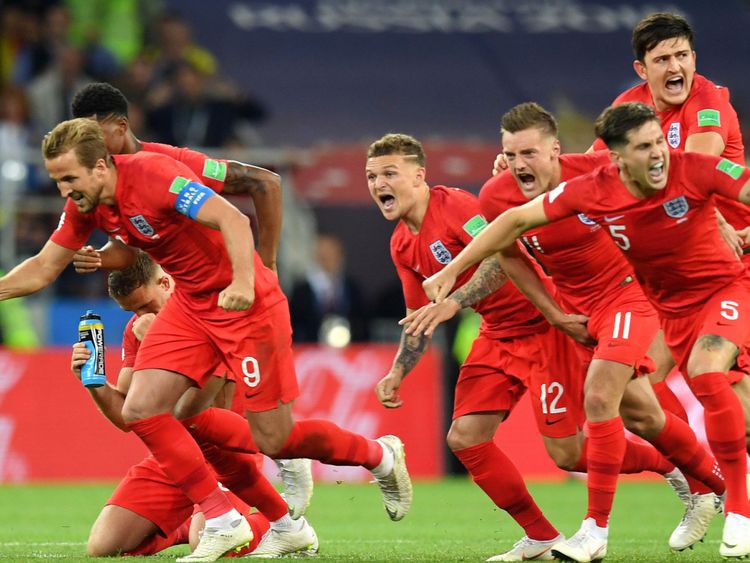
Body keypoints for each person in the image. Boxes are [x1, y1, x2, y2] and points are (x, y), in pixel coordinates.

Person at [0, 118, 411, 560]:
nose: (64, 191)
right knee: (142, 407)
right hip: (192, 306)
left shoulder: (154, 175)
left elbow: (232, 217)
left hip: (245, 303)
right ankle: (222, 518)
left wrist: (242, 280)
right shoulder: (86, 206)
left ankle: (379, 456)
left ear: (101, 167)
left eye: (68, 179)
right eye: (57, 180)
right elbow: (44, 266)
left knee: (275, 438)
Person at [423, 103, 750, 560]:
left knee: (603, 396)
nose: (519, 165)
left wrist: (720, 223)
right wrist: (460, 276)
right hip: (574, 312)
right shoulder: (510, 194)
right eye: (510, 154)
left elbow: (686, 185)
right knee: (641, 417)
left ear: (555, 150)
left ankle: (595, 531)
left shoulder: (601, 169)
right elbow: (510, 238)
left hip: (626, 295)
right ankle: (713, 487)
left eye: (529, 153)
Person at [366, 133, 690, 562]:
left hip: (546, 325)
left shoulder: (458, 207)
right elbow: (417, 314)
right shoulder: (401, 243)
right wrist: (397, 371)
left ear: (419, 176)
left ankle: (671, 465)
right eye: (371, 176)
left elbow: (502, 257)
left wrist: (455, 301)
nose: (378, 184)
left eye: (390, 173)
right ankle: (540, 535)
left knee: (570, 454)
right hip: (497, 334)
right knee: (465, 438)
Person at [72, 251, 318, 557]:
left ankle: (278, 527)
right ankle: (185, 527)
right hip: (173, 455)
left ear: (165, 283)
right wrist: (95, 383)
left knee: (209, 543)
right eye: (132, 311)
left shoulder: (211, 313)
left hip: (225, 456)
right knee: (104, 547)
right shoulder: (138, 328)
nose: (139, 317)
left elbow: (213, 408)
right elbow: (128, 417)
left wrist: (158, 342)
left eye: (145, 306)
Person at [590, 12, 750, 448]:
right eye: (663, 59)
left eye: (682, 56)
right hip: (672, 277)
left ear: (694, 59)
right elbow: (587, 172)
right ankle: (704, 480)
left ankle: (718, 482)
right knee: (636, 385)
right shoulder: (628, 109)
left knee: (723, 389)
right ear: (643, 69)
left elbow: (696, 170)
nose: (675, 67)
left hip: (730, 265)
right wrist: (531, 171)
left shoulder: (709, 100)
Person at [69, 81, 280, 272]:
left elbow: (266, 182)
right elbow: (126, 251)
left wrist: (267, 263)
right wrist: (98, 258)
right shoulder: (100, 182)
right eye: (83, 137)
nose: (90, 144)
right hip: (182, 295)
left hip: (226, 287)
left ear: (122, 126)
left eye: (95, 134)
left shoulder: (174, 162)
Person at [289, 233, 369, 343]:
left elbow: (362, 325)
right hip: (310, 351)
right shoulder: (301, 293)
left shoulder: (353, 290)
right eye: (323, 256)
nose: (328, 259)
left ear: (340, 256)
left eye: (332, 254)